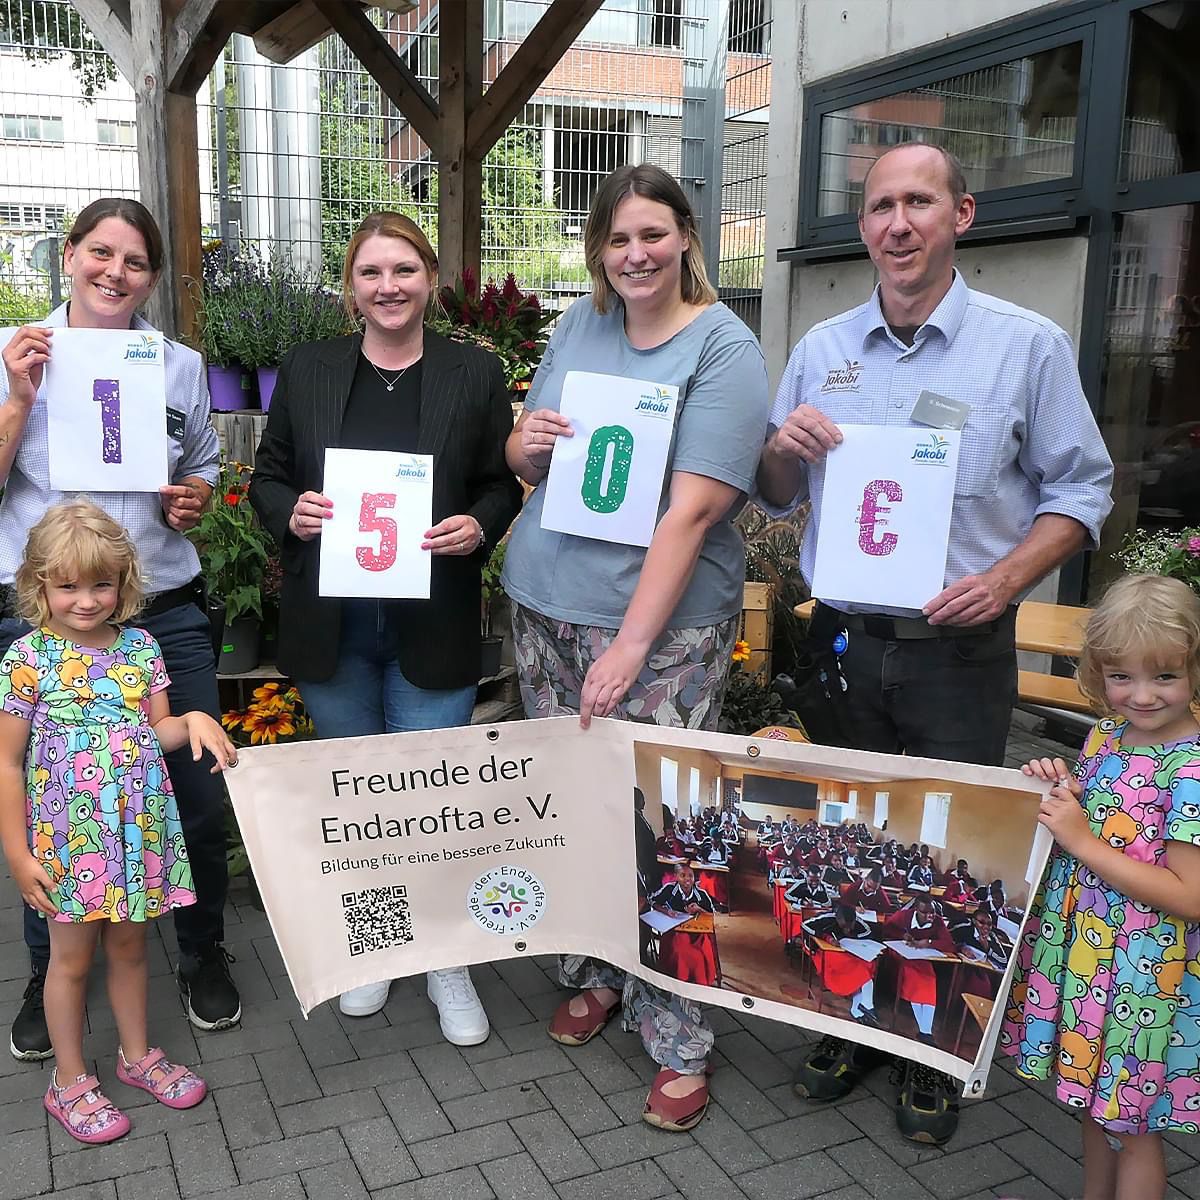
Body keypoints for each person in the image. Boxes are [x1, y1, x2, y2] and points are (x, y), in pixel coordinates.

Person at [756, 141, 1114, 1142]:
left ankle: (933, 1040)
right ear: (862, 226)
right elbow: (773, 498)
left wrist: (1005, 579)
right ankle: (853, 1020)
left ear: (963, 213)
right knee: (848, 838)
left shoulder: (1026, 346)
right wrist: (782, 450)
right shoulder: (821, 347)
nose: (897, 223)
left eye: (919, 201)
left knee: (951, 849)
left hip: (960, 647)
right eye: (879, 207)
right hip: (841, 643)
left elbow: (1083, 489)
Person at [500, 163, 769, 1132]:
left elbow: (695, 511)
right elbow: (526, 453)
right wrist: (524, 445)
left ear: (686, 236)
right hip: (545, 603)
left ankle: (680, 1031)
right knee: (573, 815)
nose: (635, 255)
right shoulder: (581, 322)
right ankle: (597, 973)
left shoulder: (724, 349)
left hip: (661, 635)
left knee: (667, 829)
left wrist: (631, 647)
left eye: (652, 235)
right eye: (618, 240)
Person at [248, 211, 522, 1043]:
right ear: (351, 286)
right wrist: (288, 512)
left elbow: (498, 482)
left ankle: (446, 960)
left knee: (430, 800)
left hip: (429, 621)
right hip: (332, 627)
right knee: (355, 796)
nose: (388, 287)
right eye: (371, 272)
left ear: (428, 278)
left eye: (403, 269)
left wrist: (480, 525)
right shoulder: (309, 367)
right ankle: (375, 951)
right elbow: (269, 476)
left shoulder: (473, 373)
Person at [0, 198, 241, 1057]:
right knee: (52, 799)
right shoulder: (18, 352)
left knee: (197, 790)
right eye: (99, 253)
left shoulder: (175, 365)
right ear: (67, 256)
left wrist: (195, 498)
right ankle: (47, 965)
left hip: (160, 613)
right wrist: (19, 401)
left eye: (134, 262)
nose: (114, 272)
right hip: (47, 620)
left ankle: (200, 946)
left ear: (151, 278)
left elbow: (202, 468)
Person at [0, 502, 237, 1142]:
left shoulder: (140, 647)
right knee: (70, 960)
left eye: (101, 584)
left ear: (124, 583)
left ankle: (137, 1057)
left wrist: (193, 721)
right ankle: (69, 1080)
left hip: (136, 833)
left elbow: (157, 729)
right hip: (69, 843)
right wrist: (19, 856)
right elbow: (7, 758)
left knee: (131, 948)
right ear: (38, 584)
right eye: (67, 585)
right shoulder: (27, 657)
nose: (86, 600)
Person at [1003, 575, 1200, 1200]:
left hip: (1145, 973)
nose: (1141, 695)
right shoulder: (1106, 736)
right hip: (1089, 958)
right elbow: (1110, 814)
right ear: (1099, 672)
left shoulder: (1193, 768)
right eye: (1122, 677)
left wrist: (1082, 841)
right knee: (1094, 1107)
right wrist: (1062, 786)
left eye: (1164, 676)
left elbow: (1191, 897)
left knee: (1131, 1125)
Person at [802, 903, 879, 1026]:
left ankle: (861, 1007)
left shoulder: (856, 921)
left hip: (846, 952)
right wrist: (826, 937)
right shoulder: (827, 917)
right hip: (823, 951)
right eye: (843, 926)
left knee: (865, 965)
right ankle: (865, 1007)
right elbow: (805, 925)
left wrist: (852, 936)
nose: (847, 929)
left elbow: (868, 932)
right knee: (857, 970)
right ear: (837, 919)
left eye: (850, 926)